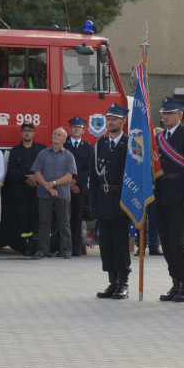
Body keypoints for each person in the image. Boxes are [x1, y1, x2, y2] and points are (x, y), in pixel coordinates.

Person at [154, 97, 184, 302]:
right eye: (164, 113)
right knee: (166, 242)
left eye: (169, 113)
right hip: (161, 195)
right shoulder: (160, 137)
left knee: (177, 241)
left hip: (180, 195)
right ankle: (176, 282)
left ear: (180, 115)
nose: (165, 117)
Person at [90, 103, 131, 299]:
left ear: (123, 121)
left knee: (120, 243)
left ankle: (123, 282)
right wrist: (93, 202)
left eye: (114, 119)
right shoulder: (100, 144)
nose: (110, 122)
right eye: (108, 119)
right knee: (105, 244)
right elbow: (93, 176)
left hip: (121, 198)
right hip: (104, 198)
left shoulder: (130, 144)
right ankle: (111, 282)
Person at [30, 127, 76, 258]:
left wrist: (54, 184)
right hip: (45, 194)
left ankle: (66, 250)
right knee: (44, 223)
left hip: (63, 194)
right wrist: (48, 187)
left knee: (64, 223)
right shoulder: (42, 154)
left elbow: (69, 177)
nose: (56, 136)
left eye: (59, 135)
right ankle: (43, 250)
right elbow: (37, 173)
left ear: (64, 139)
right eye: (54, 134)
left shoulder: (68, 155)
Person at [3, 123, 46, 255]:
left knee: (39, 217)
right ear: (21, 133)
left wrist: (35, 178)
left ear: (34, 133)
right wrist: (25, 178)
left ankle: (40, 245)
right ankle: (26, 245)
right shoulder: (15, 151)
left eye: (30, 131)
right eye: (25, 131)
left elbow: (46, 167)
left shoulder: (41, 149)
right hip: (21, 190)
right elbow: (11, 170)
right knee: (23, 218)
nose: (27, 133)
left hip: (39, 189)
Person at [64, 117, 93, 257]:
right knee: (63, 220)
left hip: (79, 189)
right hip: (63, 187)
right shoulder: (64, 145)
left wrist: (76, 182)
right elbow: (60, 166)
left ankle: (75, 249)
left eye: (79, 127)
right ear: (70, 129)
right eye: (74, 127)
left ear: (83, 130)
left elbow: (88, 169)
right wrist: (69, 182)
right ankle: (64, 248)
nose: (76, 129)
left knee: (76, 220)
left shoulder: (87, 148)